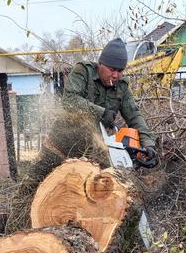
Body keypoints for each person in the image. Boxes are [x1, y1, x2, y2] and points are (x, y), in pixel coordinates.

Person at [62, 37, 157, 165]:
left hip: (97, 147)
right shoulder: (84, 72)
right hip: (65, 140)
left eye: (120, 71)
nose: (116, 75)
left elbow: (134, 116)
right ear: (100, 64)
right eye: (112, 70)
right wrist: (101, 113)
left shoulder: (122, 86)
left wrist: (148, 145)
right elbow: (69, 100)